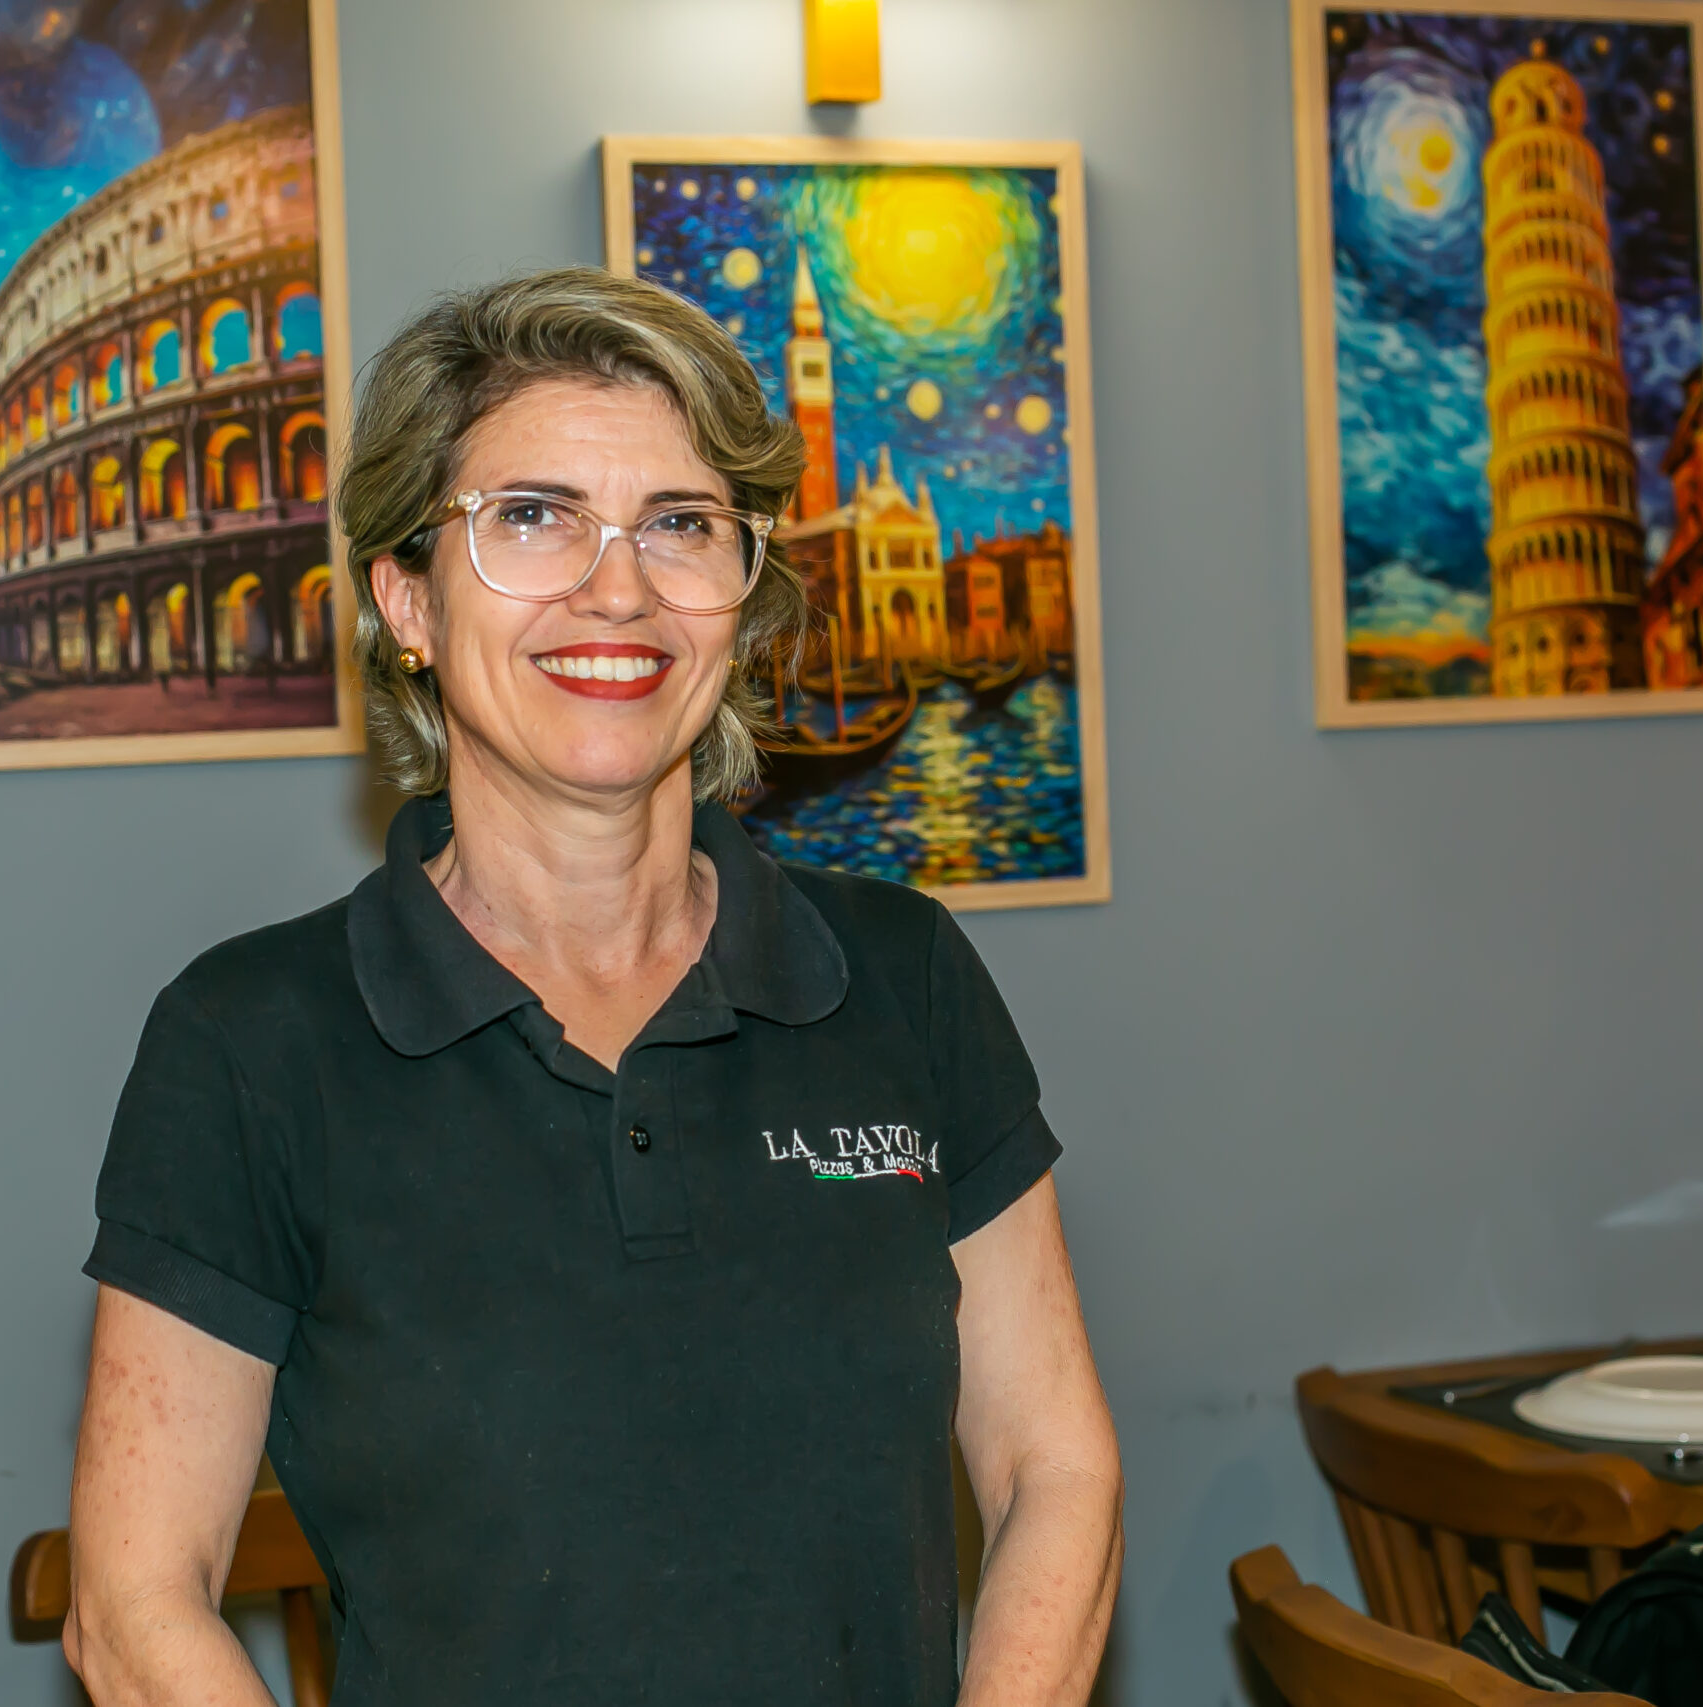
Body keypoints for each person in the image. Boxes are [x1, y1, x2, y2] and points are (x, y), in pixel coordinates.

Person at [64, 266, 1122, 1706]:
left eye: (682, 524)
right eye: (531, 516)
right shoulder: (252, 1043)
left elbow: (1056, 1468)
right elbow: (134, 1606)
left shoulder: (904, 975)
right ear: (406, 597)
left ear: (742, 599)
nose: (618, 588)